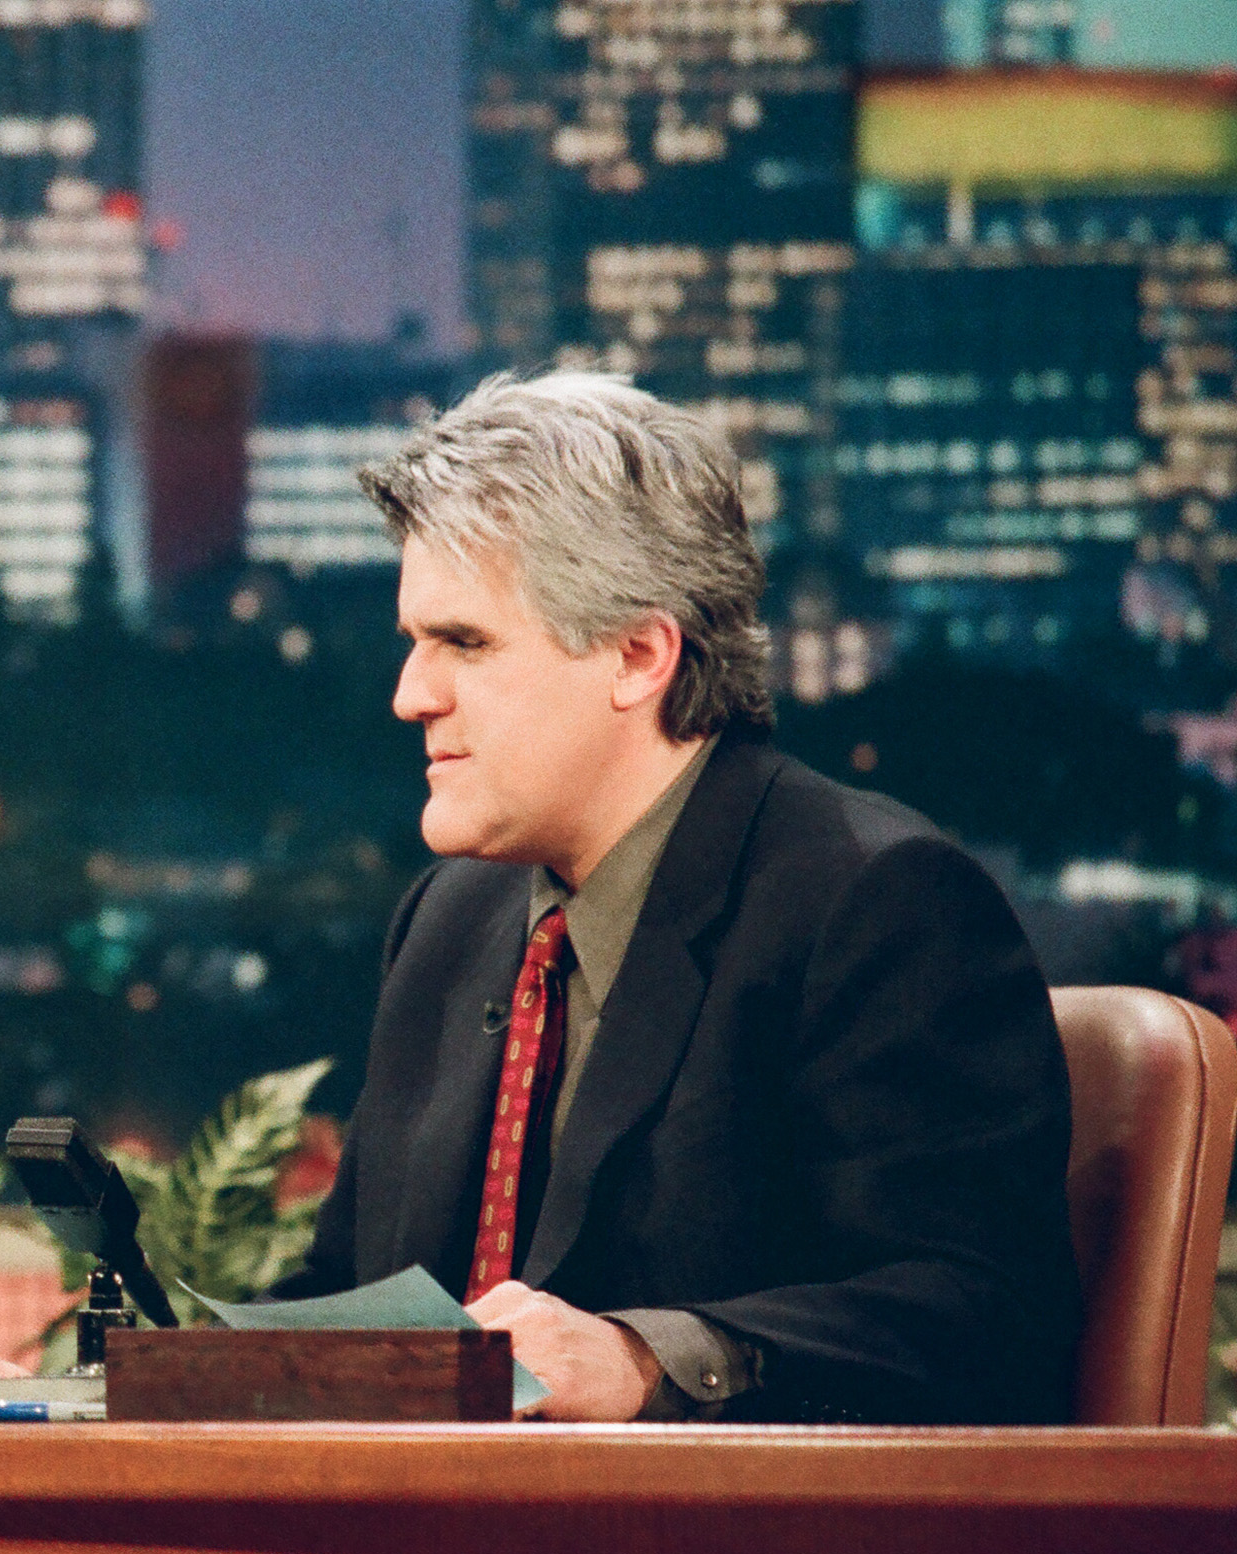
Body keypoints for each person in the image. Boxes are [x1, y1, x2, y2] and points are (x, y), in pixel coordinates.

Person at [275, 373, 1082, 1423]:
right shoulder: (450, 924)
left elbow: (980, 1318)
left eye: (464, 643)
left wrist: (643, 1364)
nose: (411, 693)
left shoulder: (879, 906)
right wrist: (90, 1392)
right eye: (413, 642)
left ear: (639, 654)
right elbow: (343, 1307)